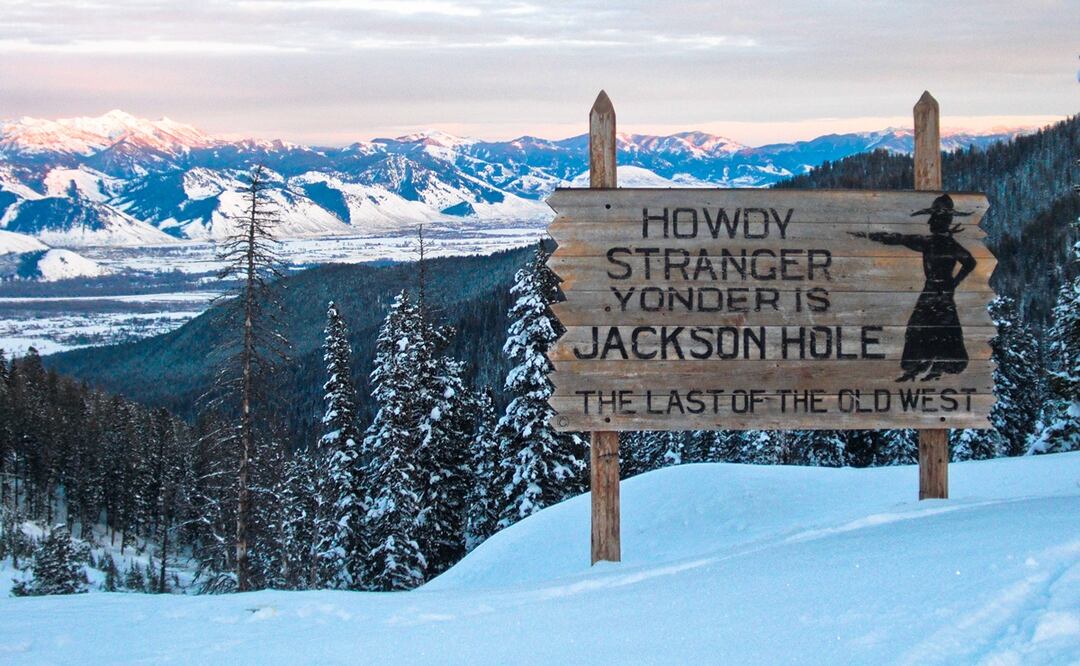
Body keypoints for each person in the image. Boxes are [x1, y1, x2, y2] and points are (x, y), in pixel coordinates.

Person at [850, 193, 977, 381]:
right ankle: (933, 365)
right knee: (943, 328)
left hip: (933, 290)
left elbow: (899, 238)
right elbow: (970, 263)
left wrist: (955, 281)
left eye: (935, 218)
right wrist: (955, 282)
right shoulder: (947, 244)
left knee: (921, 327)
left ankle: (922, 366)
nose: (931, 222)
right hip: (941, 290)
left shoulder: (933, 242)